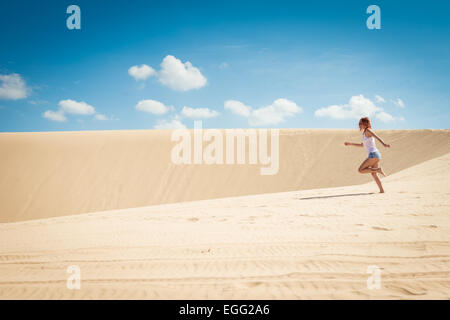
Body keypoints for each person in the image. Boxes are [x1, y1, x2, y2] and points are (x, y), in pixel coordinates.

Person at [344, 117, 391, 193]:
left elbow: (377, 136)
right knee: (374, 174)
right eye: (359, 123)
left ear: (365, 124)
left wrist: (384, 144)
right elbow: (362, 145)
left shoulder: (368, 130)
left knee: (360, 170)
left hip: (373, 154)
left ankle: (378, 170)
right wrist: (350, 144)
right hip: (376, 155)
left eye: (360, 123)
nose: (359, 125)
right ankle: (382, 190)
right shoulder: (364, 133)